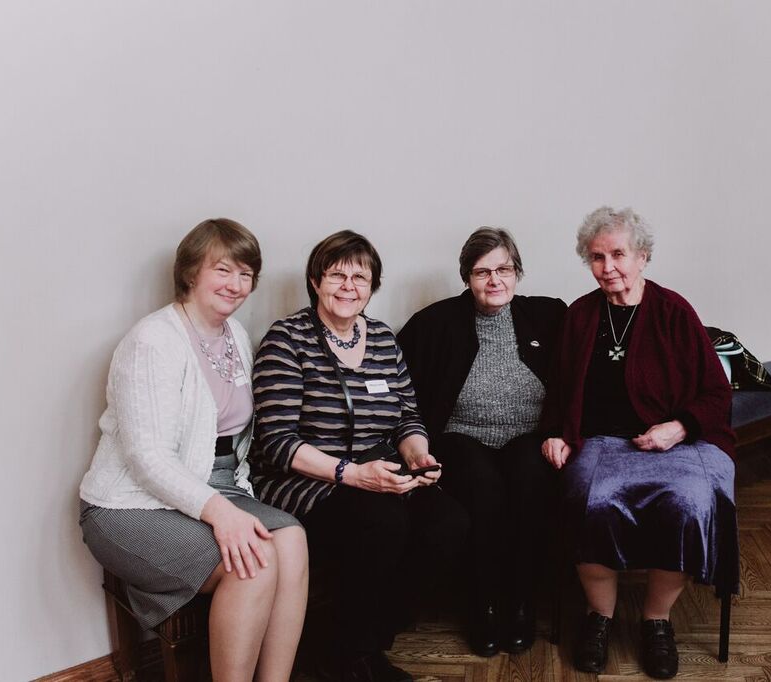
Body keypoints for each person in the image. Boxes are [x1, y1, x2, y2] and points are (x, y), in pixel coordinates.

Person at [79, 218, 308, 682]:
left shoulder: (235, 335)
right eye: (223, 270)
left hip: (217, 483)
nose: (236, 285)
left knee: (292, 539)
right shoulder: (152, 341)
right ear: (190, 273)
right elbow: (147, 459)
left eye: (246, 274)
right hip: (128, 504)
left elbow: (233, 442)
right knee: (254, 564)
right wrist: (222, 514)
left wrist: (231, 499)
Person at [249, 230, 469, 682]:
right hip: (304, 477)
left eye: (360, 277)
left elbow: (407, 416)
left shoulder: (383, 339)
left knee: (449, 523)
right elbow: (277, 440)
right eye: (337, 275)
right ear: (315, 281)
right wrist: (352, 474)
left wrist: (418, 456)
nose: (349, 287)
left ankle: (366, 636)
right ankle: (351, 658)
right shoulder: (287, 340)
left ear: (373, 286)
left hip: (377, 469)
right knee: (382, 522)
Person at [542, 207, 739, 680]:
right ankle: (599, 617)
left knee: (689, 503)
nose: (608, 267)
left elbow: (717, 393)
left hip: (676, 446)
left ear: (643, 257)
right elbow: (559, 389)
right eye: (597, 257)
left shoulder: (674, 311)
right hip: (601, 445)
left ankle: (656, 621)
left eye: (618, 254)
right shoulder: (580, 315)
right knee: (590, 502)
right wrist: (557, 432)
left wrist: (679, 427)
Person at [397, 227, 565, 656]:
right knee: (483, 486)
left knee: (529, 479)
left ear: (517, 272)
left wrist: (560, 432)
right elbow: (401, 389)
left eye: (503, 269)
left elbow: (574, 381)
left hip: (529, 436)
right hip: (462, 437)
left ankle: (521, 602)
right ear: (467, 277)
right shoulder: (435, 323)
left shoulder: (547, 316)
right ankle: (483, 605)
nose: (494, 280)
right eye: (482, 271)